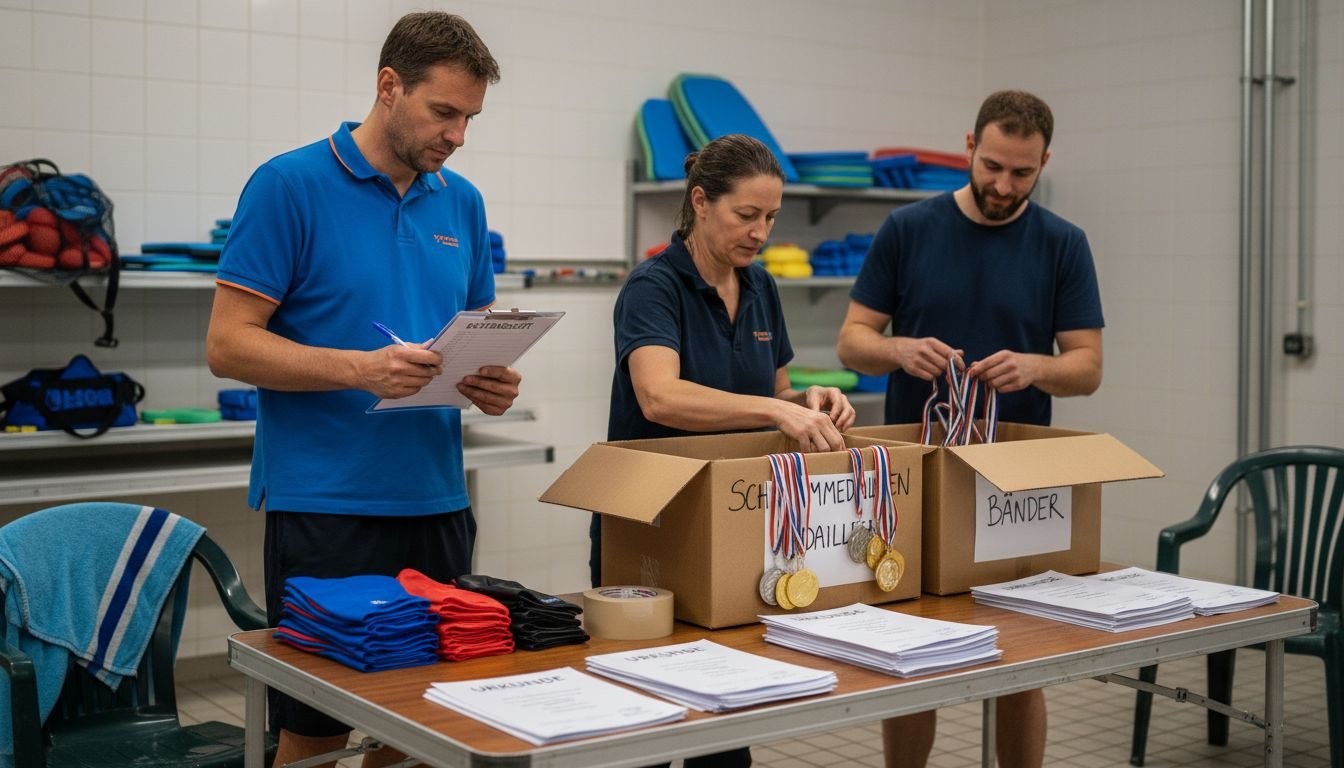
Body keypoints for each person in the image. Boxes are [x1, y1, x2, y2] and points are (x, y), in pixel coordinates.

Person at [205, 13, 520, 768]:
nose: (457, 135)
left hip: (437, 497)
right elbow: (227, 344)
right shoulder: (290, 185)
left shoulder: (462, 203)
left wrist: (489, 383)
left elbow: (469, 336)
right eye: (443, 112)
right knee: (317, 730)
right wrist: (359, 368)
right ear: (388, 86)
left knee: (422, 725)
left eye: (470, 118)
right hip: (328, 504)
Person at [836, 90, 1104, 768]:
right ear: (968, 148)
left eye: (1021, 173)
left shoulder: (1062, 244)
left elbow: (1087, 367)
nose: (1002, 186)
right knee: (912, 649)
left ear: (1044, 162)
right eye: (991, 167)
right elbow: (851, 342)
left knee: (1020, 655)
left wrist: (1037, 366)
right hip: (917, 472)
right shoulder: (908, 228)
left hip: (1016, 480)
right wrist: (897, 349)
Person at [596, 133, 857, 768]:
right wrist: (776, 409)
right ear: (701, 202)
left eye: (771, 217)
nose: (760, 232)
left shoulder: (762, 288)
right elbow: (659, 397)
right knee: (649, 721)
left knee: (723, 721)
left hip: (733, 521)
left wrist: (810, 398)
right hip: (651, 523)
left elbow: (776, 389)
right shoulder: (653, 287)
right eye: (747, 215)